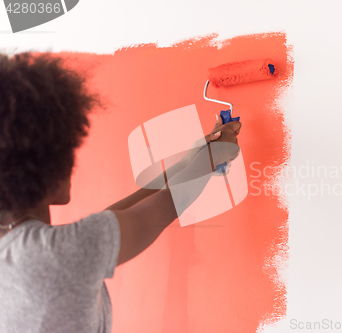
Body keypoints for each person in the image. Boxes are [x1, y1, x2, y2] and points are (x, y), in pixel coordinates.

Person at [0, 52, 241, 332]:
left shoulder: (27, 250)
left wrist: (191, 160)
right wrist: (212, 158)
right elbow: (167, 204)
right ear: (50, 171)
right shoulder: (57, 255)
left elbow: (117, 216)